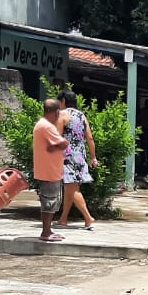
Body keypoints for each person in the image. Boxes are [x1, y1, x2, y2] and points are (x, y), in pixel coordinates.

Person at [56, 90, 98, 230]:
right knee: (71, 188)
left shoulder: (62, 115)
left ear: (63, 101)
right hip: (80, 156)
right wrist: (93, 157)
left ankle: (88, 218)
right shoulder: (81, 116)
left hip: (67, 156)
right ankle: (63, 219)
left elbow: (57, 138)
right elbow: (90, 138)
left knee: (72, 188)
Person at [33, 99, 70, 242]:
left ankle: (47, 230)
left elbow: (56, 145)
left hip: (48, 169)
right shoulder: (47, 127)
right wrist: (60, 145)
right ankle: (46, 232)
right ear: (56, 112)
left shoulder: (41, 125)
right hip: (49, 170)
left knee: (51, 200)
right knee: (49, 201)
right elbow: (64, 143)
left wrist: (56, 146)